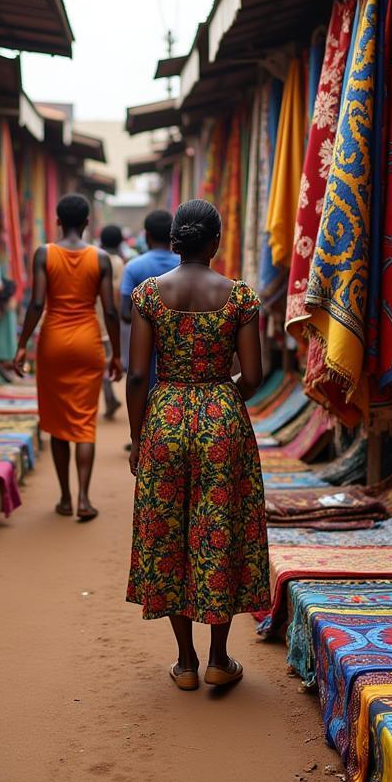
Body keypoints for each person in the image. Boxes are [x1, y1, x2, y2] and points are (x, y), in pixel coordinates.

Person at [125, 199, 269, 691]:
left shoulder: (147, 295)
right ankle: (218, 658)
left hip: (163, 419)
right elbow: (254, 376)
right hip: (221, 421)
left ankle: (184, 662)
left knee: (168, 535)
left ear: (174, 243)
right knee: (217, 532)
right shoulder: (241, 297)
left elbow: (138, 373)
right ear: (215, 242)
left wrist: (135, 436)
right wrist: (220, 390)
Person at [14, 194, 123, 521]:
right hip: (88, 342)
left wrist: (22, 345)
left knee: (58, 422)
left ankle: (64, 498)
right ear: (88, 223)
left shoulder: (44, 254)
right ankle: (85, 500)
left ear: (57, 221)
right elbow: (111, 311)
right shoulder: (101, 258)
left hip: (53, 343)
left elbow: (36, 304)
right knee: (84, 422)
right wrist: (116, 353)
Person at [120, 209, 179, 385]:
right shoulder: (184, 264)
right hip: (179, 348)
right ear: (172, 235)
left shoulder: (133, 267)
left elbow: (124, 312)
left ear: (147, 236)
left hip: (144, 349)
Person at [98, 224, 126, 419]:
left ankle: (109, 398)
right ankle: (109, 398)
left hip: (95, 316)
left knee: (102, 360)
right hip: (109, 317)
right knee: (106, 360)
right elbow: (117, 293)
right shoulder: (118, 262)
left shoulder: (96, 258)